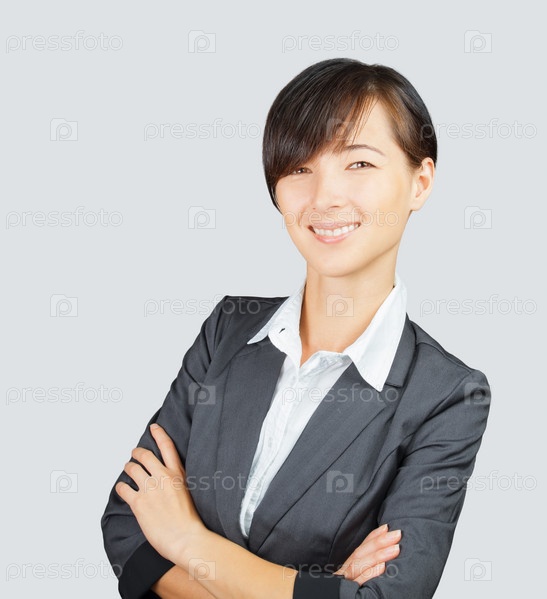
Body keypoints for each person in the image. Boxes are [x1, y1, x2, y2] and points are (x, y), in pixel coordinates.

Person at [101, 57, 491, 599]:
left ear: (419, 182)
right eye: (300, 168)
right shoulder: (228, 330)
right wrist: (320, 588)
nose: (325, 197)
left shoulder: (447, 394)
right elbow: (126, 526)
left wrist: (187, 539)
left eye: (358, 163)